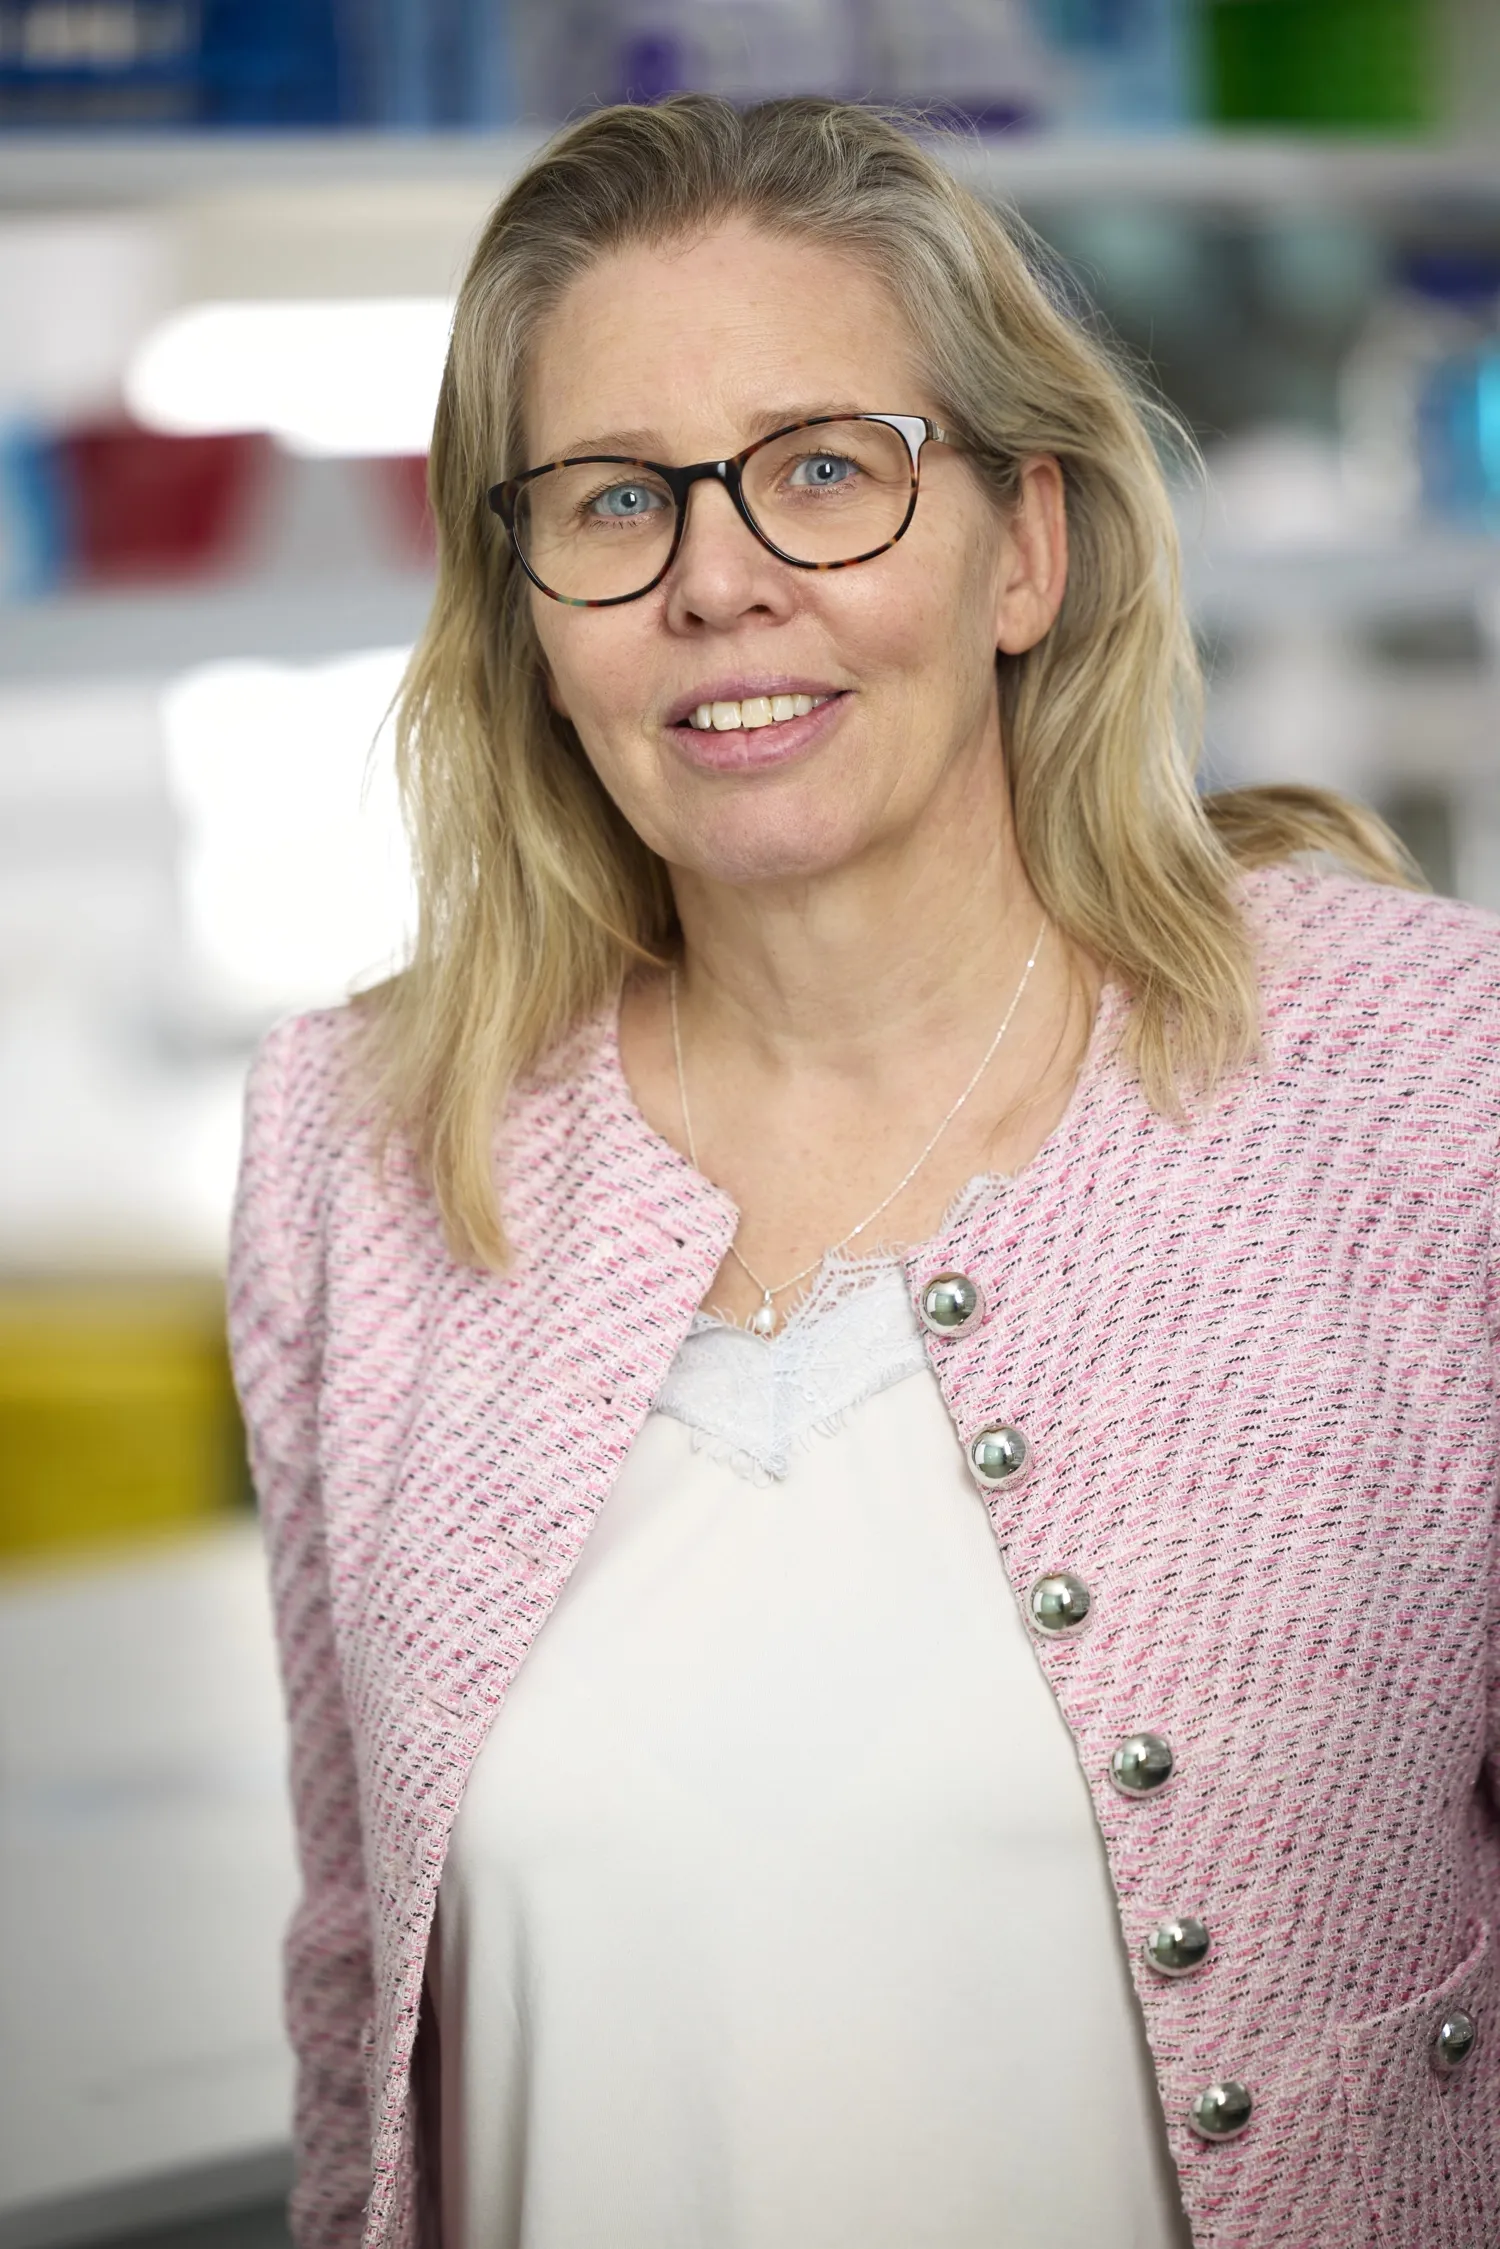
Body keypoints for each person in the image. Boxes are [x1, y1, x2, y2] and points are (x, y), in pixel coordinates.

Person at [228, 95, 1500, 2249]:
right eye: (618, 499)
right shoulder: (362, 1158)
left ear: (1027, 547)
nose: (720, 577)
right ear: (532, 605)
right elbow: (362, 2001)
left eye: (824, 467)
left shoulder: (1428, 1088)